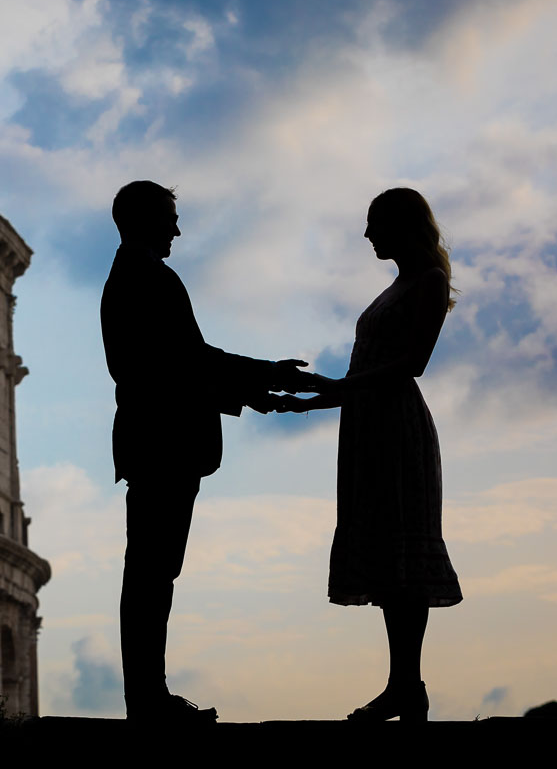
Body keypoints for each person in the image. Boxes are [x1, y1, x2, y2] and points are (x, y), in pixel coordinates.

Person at [100, 180, 315, 725]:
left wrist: (257, 390)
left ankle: (148, 695)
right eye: (170, 217)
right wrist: (263, 381)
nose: (178, 228)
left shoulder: (131, 275)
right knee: (153, 574)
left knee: (151, 572)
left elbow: (180, 365)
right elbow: (186, 364)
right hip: (164, 444)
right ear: (145, 219)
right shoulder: (150, 277)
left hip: (153, 441)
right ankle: (148, 698)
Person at [276, 187, 463, 722]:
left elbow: (412, 362)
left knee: (402, 550)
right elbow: (370, 368)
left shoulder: (426, 282)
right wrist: (315, 400)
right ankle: (403, 683)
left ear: (401, 226)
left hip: (395, 426)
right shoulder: (401, 285)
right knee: (386, 552)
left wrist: (337, 387)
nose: (366, 236)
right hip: (368, 424)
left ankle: (407, 683)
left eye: (374, 224)